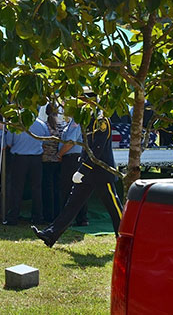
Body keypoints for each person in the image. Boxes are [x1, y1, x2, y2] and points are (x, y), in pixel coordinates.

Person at [33, 102, 124, 246]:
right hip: (88, 173)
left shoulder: (101, 120)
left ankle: (124, 239)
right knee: (72, 205)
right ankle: (51, 235)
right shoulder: (86, 119)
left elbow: (97, 149)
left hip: (100, 172)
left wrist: (82, 169)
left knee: (114, 207)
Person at [4, 116, 50, 225]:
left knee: (16, 188)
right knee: (36, 189)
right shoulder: (41, 124)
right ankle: (38, 217)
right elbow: (47, 140)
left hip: (19, 159)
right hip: (36, 159)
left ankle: (13, 217)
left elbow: (9, 143)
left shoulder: (15, 123)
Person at [56, 114, 88, 226]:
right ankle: (78, 218)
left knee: (69, 188)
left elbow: (70, 141)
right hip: (71, 158)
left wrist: (59, 154)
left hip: (72, 158)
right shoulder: (71, 122)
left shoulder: (76, 121)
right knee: (74, 188)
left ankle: (70, 219)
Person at [41, 103, 64, 223]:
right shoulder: (61, 126)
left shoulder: (44, 126)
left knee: (47, 188)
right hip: (58, 160)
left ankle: (48, 215)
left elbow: (42, 143)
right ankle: (57, 213)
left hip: (46, 160)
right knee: (57, 188)